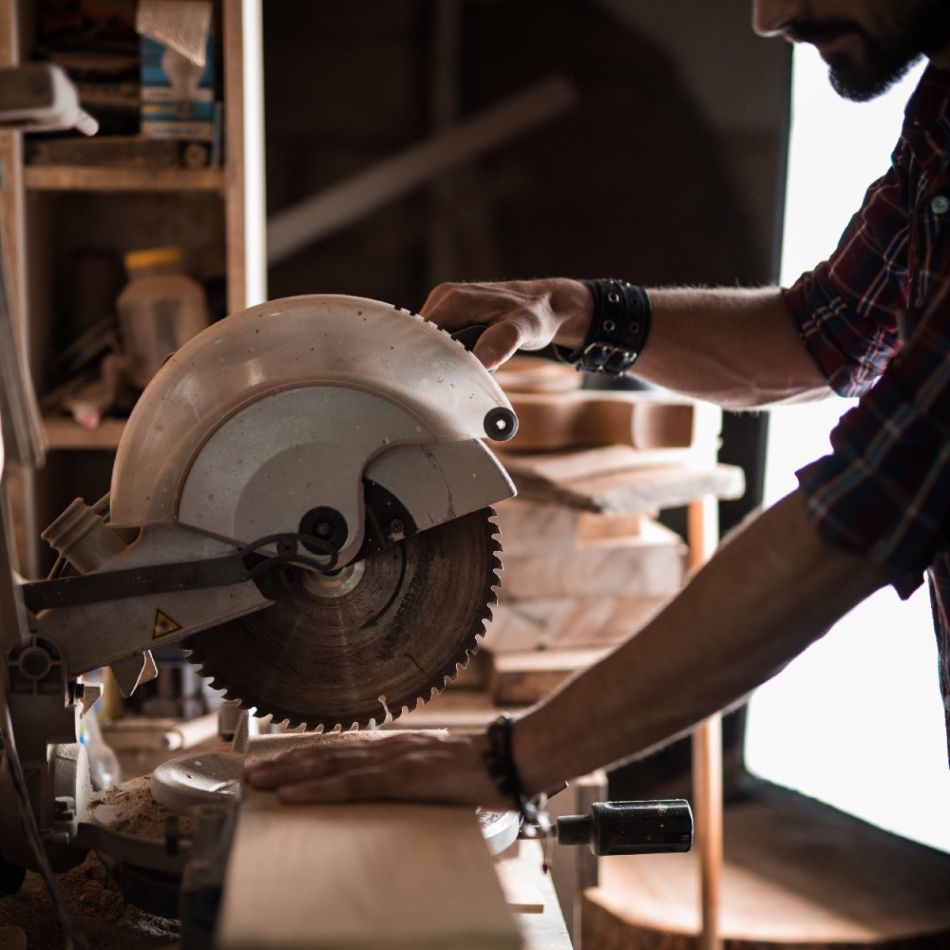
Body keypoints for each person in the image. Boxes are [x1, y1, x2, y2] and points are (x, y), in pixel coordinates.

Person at [245, 0, 950, 811]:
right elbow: (824, 336)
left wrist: (507, 762)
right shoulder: (940, 110)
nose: (769, 18)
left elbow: (876, 498)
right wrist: (578, 312)